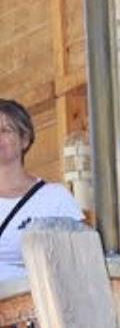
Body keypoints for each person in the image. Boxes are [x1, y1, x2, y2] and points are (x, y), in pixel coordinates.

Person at [0, 99, 85, 281]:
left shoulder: (54, 198)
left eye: (5, 130)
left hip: (34, 296)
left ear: (24, 139)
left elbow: (82, 257)